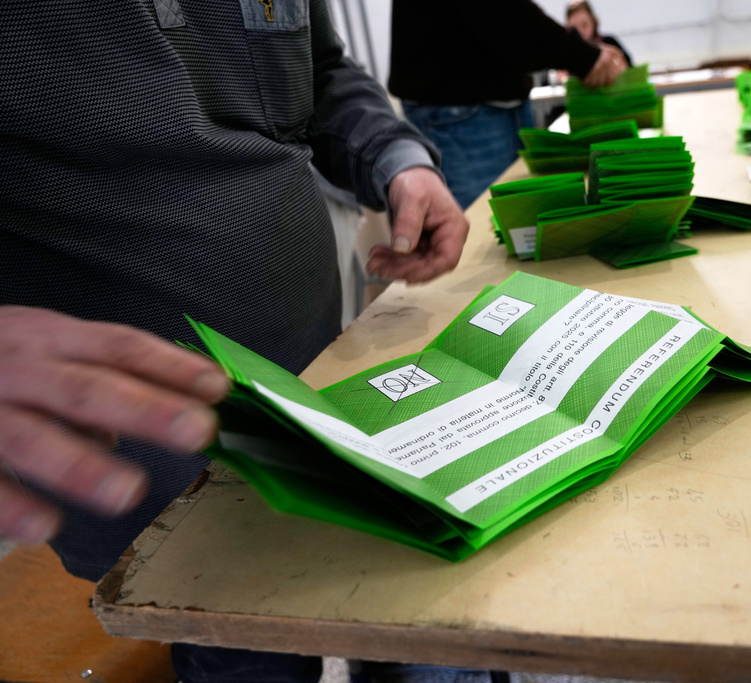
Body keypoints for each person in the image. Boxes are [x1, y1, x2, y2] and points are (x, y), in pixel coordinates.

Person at [1, 1, 468, 681]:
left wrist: (398, 161)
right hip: (160, 471)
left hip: (324, 398)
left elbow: (323, 76)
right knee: (249, 657)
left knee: (400, 616)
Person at [388, 0, 627, 209]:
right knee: (481, 242)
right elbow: (501, 9)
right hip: (461, 113)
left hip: (491, 106)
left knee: (515, 233)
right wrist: (577, 54)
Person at [565, 0, 633, 68]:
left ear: (593, 22)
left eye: (584, 25)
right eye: (574, 28)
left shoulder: (610, 43)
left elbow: (629, 65)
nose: (580, 31)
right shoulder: (566, 55)